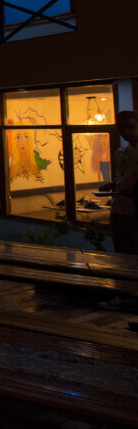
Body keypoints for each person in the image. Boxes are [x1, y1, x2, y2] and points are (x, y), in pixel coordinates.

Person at [100, 110, 138, 315]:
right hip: (119, 210)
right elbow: (120, 178)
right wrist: (111, 186)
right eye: (122, 129)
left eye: (131, 127)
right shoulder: (120, 153)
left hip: (135, 212)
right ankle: (124, 295)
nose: (126, 132)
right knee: (122, 254)